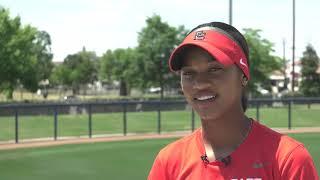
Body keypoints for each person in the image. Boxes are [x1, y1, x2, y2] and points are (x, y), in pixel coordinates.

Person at [148, 22, 318, 180]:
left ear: (243, 76)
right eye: (188, 73)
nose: (199, 83)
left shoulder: (288, 158)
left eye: (214, 69)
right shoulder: (169, 162)